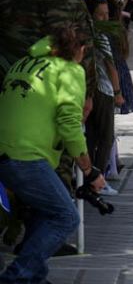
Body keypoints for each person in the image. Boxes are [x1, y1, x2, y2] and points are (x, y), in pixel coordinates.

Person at [0, 27, 105, 283]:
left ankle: (35, 275)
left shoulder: (24, 63)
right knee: (65, 216)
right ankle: (16, 277)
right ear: (79, 50)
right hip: (25, 155)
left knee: (43, 210)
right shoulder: (69, 71)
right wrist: (90, 171)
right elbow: (70, 124)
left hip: (8, 149)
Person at [83, 0, 123, 196]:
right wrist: (117, 93)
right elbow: (110, 66)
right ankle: (98, 180)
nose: (105, 18)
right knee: (106, 138)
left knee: (90, 136)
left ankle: (88, 178)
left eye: (107, 14)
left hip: (86, 90)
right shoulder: (99, 36)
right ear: (90, 15)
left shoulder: (84, 35)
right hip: (103, 90)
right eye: (101, 14)